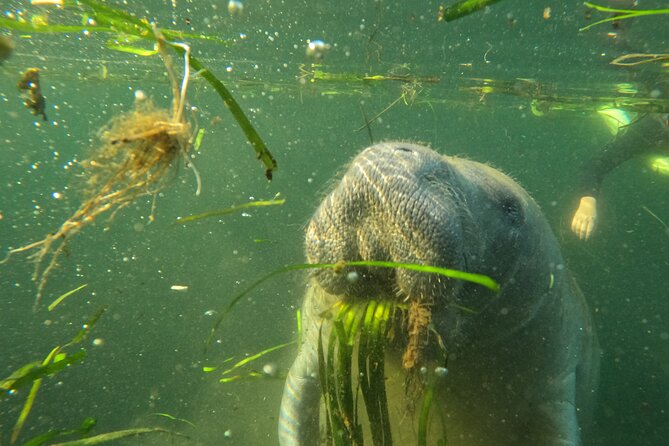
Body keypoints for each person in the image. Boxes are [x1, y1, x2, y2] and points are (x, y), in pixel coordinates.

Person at [571, 112, 669, 240]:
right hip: (648, 142)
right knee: (620, 124)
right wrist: (587, 202)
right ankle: (607, 110)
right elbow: (596, 165)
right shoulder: (647, 128)